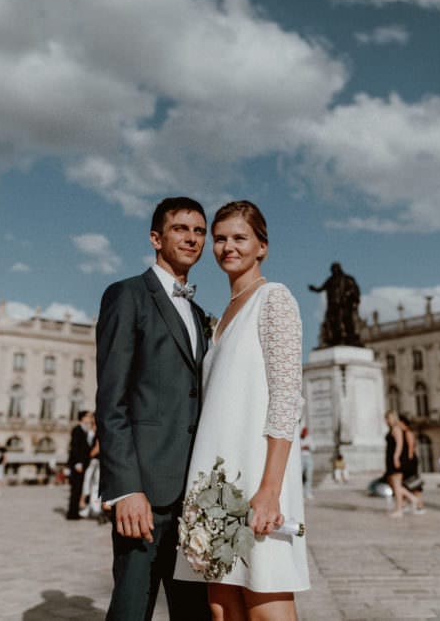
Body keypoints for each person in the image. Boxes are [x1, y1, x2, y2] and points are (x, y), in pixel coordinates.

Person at [173, 200, 310, 618]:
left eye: (239, 238)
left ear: (262, 247)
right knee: (221, 607)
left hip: (256, 475)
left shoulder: (274, 299)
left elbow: (287, 396)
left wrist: (270, 488)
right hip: (215, 482)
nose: (227, 247)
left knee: (265, 597)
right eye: (219, 239)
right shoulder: (220, 317)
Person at [95, 196, 211, 620]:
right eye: (181, 229)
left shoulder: (199, 314)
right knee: (132, 609)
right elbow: (112, 399)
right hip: (143, 494)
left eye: (199, 231)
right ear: (156, 238)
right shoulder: (126, 295)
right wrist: (125, 488)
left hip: (194, 498)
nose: (192, 238)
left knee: (193, 613)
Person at [385, 411, 420, 517]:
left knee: (396, 485)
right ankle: (411, 499)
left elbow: (399, 444)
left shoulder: (396, 429)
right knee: (394, 484)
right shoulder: (392, 429)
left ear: (393, 418)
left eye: (388, 418)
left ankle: (399, 509)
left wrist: (396, 457)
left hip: (395, 459)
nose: (386, 421)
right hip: (391, 459)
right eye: (386, 418)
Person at [66, 410, 96, 520]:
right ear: (82, 418)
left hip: (82, 464)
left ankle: (74, 511)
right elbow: (75, 447)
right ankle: (72, 513)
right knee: (75, 489)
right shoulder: (77, 430)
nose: (90, 419)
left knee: (78, 489)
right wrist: (78, 463)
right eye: (88, 417)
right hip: (77, 465)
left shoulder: (85, 430)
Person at [400, 416, 425, 514]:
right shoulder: (404, 433)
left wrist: (407, 463)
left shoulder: (408, 433)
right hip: (408, 461)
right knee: (407, 484)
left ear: (403, 423)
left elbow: (410, 448)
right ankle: (404, 504)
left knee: (414, 485)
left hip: (409, 461)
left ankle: (420, 506)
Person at [301, 428, 314, 498]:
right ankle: (301, 493)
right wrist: (303, 447)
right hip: (301, 458)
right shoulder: (299, 438)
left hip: (308, 458)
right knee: (301, 476)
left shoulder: (309, 438)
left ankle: (308, 492)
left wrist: (307, 447)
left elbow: (313, 448)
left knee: (309, 476)